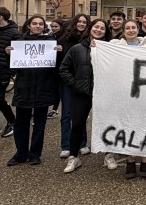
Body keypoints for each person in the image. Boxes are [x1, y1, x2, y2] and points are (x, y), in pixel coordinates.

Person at [5, 15, 60, 167]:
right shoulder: (20, 44)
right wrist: (9, 54)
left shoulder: (51, 43)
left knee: (39, 124)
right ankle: (20, 153)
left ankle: (35, 154)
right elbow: (12, 68)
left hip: (43, 88)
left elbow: (56, 68)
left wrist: (59, 53)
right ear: (28, 26)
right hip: (24, 88)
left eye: (40, 24)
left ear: (44, 27)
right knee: (21, 123)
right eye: (34, 23)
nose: (37, 26)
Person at [58, 18, 108, 173]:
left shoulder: (110, 49)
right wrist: (75, 84)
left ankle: (109, 154)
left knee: (107, 123)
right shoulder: (77, 49)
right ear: (90, 28)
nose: (99, 30)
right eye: (96, 27)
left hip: (104, 93)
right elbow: (64, 69)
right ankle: (73, 157)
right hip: (83, 93)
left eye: (102, 28)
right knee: (77, 124)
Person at [118, 19, 146, 180]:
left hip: (145, 93)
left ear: (138, 29)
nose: (130, 30)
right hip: (124, 93)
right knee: (127, 126)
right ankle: (130, 162)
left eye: (133, 27)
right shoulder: (115, 47)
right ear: (123, 31)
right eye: (127, 28)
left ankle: (145, 162)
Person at [57, 14, 90, 159]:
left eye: (84, 22)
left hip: (84, 83)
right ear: (74, 22)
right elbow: (61, 65)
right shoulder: (63, 40)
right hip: (68, 83)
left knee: (80, 115)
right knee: (66, 114)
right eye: (79, 21)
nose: (81, 24)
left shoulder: (89, 41)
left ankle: (82, 143)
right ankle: (66, 145)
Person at [0, 7, 20, 139]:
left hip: (4, 71)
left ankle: (12, 121)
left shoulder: (15, 33)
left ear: (1, 17)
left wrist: (10, 71)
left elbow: (19, 54)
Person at [46, 19, 64, 118]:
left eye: (56, 26)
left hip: (59, 67)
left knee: (57, 90)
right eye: (52, 26)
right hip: (51, 66)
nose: (53, 28)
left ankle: (55, 109)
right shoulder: (50, 37)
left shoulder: (64, 38)